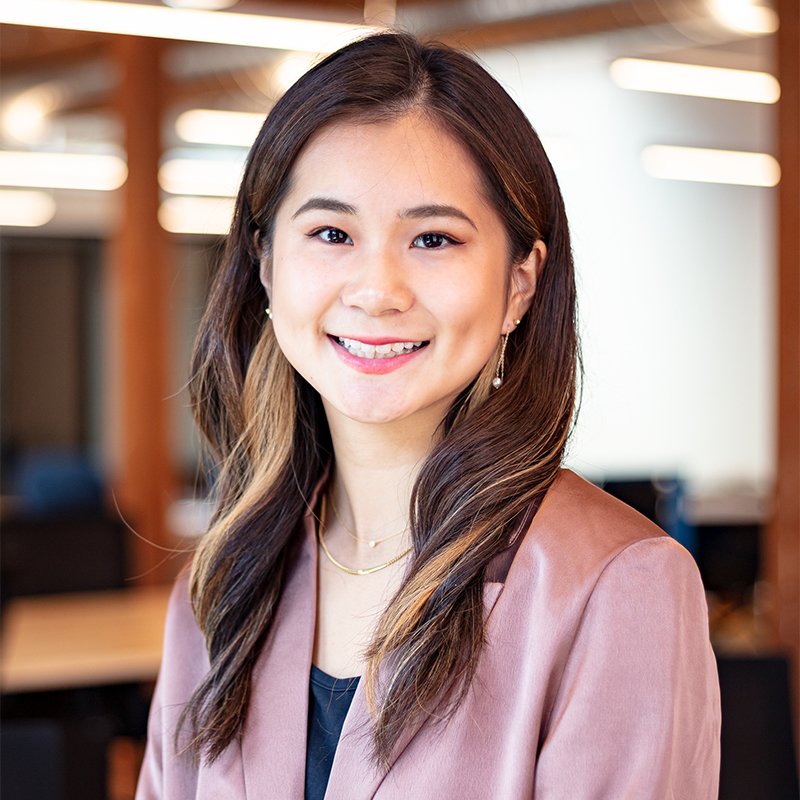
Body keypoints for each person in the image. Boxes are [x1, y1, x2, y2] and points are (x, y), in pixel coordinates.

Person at [136, 32, 720, 800]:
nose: (378, 289)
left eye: (434, 238)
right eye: (332, 234)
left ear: (519, 283)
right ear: (268, 268)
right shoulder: (224, 588)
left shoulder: (619, 590)